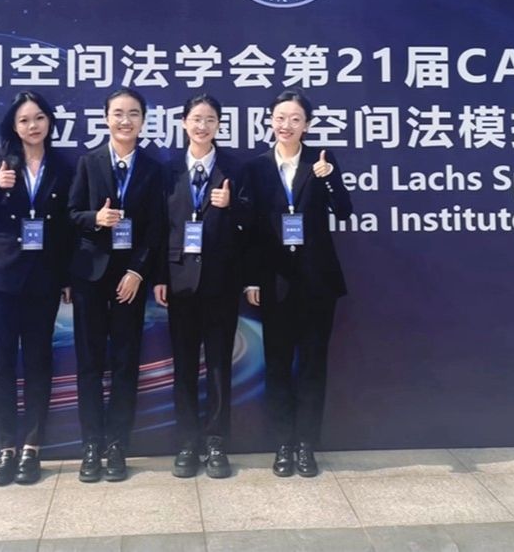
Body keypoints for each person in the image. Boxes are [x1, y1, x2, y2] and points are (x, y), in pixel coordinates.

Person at [244, 89, 353, 479]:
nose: (286, 125)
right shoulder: (256, 167)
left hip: (316, 280)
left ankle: (306, 444)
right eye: (280, 118)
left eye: (295, 119)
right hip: (275, 282)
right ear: (270, 121)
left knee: (312, 364)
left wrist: (329, 179)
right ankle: (283, 444)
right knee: (276, 364)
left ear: (307, 124)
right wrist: (251, 279)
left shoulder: (321, 161)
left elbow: (344, 210)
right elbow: (250, 230)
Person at [0, 91, 74, 486]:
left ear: (50, 122)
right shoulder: (0, 162)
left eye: (39, 118)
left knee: (37, 362)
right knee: (0, 364)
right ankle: (5, 449)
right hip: (0, 277)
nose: (33, 126)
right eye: (25, 120)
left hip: (44, 278)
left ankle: (32, 447)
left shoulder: (64, 166)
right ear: (14, 127)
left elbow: (67, 229)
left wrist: (66, 278)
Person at [67, 86, 166, 482]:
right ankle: (91, 445)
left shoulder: (154, 169)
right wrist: (95, 219)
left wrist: (138, 272)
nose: (126, 121)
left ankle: (117, 445)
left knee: (126, 363)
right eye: (118, 113)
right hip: (90, 277)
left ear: (143, 120)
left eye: (133, 114)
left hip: (130, 281)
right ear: (106, 118)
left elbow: (157, 228)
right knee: (90, 364)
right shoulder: (87, 162)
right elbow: (70, 215)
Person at [154, 93, 250, 479]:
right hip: (179, 283)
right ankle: (187, 442)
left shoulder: (235, 169)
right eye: (196, 119)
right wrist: (159, 276)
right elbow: (158, 228)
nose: (202, 126)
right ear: (183, 123)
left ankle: (216, 442)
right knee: (183, 367)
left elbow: (254, 223)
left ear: (219, 125)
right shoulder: (167, 171)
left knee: (219, 365)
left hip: (221, 282)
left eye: (210, 120)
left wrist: (232, 205)